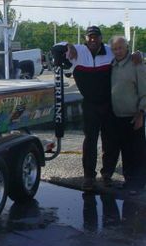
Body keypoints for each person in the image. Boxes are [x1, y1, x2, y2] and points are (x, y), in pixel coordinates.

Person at [52, 26, 120, 190]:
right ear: (85, 38)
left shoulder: (111, 51)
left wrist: (137, 55)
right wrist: (69, 46)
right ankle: (89, 177)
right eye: (90, 37)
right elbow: (55, 48)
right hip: (89, 103)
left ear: (101, 38)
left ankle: (107, 174)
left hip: (109, 103)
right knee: (90, 141)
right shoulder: (79, 51)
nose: (93, 39)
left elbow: (128, 55)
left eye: (96, 36)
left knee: (110, 141)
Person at [110, 36, 146, 195]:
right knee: (125, 152)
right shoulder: (112, 65)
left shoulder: (136, 64)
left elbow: (144, 92)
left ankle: (138, 185)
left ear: (127, 48)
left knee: (137, 152)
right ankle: (129, 182)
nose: (118, 51)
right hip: (118, 117)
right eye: (115, 49)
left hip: (134, 116)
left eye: (120, 48)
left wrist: (141, 113)